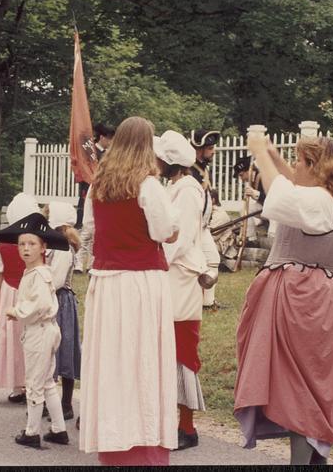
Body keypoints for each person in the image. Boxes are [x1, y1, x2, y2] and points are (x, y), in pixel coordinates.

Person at [234, 134, 333, 465]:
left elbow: (279, 200)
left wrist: (260, 153)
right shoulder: (331, 198)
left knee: (300, 388)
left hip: (304, 302)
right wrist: (277, 158)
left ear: (313, 166)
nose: (293, 167)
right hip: (319, 298)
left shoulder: (319, 201)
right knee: (309, 387)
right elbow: (292, 184)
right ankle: (314, 460)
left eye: (298, 160)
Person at [79, 116, 179, 466]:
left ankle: (114, 439)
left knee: (113, 363)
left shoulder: (99, 185)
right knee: (144, 359)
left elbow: (89, 231)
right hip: (141, 281)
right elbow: (164, 230)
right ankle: (145, 441)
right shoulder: (148, 185)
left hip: (107, 283)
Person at [154, 131, 210, 451]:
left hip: (182, 276)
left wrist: (158, 261)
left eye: (160, 158)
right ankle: (170, 420)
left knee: (182, 350)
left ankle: (187, 426)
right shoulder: (174, 187)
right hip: (170, 274)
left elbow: (183, 238)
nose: (156, 161)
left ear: (171, 162)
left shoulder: (187, 191)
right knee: (167, 348)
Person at [0, 212, 71, 449]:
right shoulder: (36, 272)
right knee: (47, 381)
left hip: (40, 331)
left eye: (32, 244)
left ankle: (32, 432)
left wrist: (16, 311)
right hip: (44, 330)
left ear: (43, 247)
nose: (25, 249)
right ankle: (59, 429)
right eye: (22, 244)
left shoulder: (38, 274)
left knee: (35, 382)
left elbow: (41, 304)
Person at [0, 192, 38, 402]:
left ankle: (18, 386)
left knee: (13, 338)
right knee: (33, 337)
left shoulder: (3, 242)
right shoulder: (38, 241)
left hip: (11, 293)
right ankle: (33, 384)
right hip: (33, 291)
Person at [43, 201, 82, 421]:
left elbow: (56, 280)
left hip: (60, 301)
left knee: (64, 350)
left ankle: (66, 404)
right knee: (49, 351)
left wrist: (41, 286)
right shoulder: (54, 245)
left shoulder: (63, 247)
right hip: (52, 298)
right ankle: (50, 400)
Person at [187, 129, 223, 311]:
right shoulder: (189, 170)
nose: (213, 151)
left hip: (202, 226)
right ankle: (200, 302)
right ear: (199, 149)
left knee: (212, 260)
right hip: (193, 226)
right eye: (209, 148)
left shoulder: (200, 168)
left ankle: (207, 302)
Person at [74, 123, 115, 272]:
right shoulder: (90, 153)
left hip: (102, 193)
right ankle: (78, 263)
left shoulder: (108, 154)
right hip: (90, 191)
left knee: (97, 233)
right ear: (102, 137)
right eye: (109, 138)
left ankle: (92, 263)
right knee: (86, 231)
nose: (111, 142)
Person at [232, 155, 269, 246]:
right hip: (267, 210)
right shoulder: (253, 180)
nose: (241, 178)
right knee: (245, 209)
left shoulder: (264, 176)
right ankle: (251, 239)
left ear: (249, 171)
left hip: (277, 212)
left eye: (241, 175)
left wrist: (255, 194)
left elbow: (272, 199)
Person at [207, 190, 237, 271]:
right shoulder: (212, 212)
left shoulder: (219, 215)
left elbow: (213, 237)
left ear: (213, 200)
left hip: (221, 245)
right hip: (215, 241)